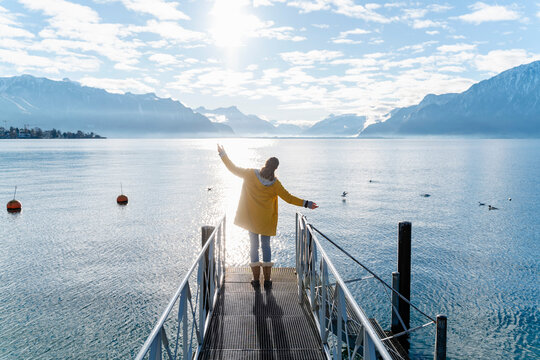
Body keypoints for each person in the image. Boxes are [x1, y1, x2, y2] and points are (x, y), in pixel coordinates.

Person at [217, 144, 318, 288]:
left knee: (253, 246)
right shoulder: (275, 184)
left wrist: (223, 154)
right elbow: (289, 198)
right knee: (266, 246)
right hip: (266, 221)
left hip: (251, 219)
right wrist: (307, 203)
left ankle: (256, 280)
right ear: (275, 168)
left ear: (265, 163)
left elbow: (233, 169)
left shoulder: (250, 174)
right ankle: (268, 280)